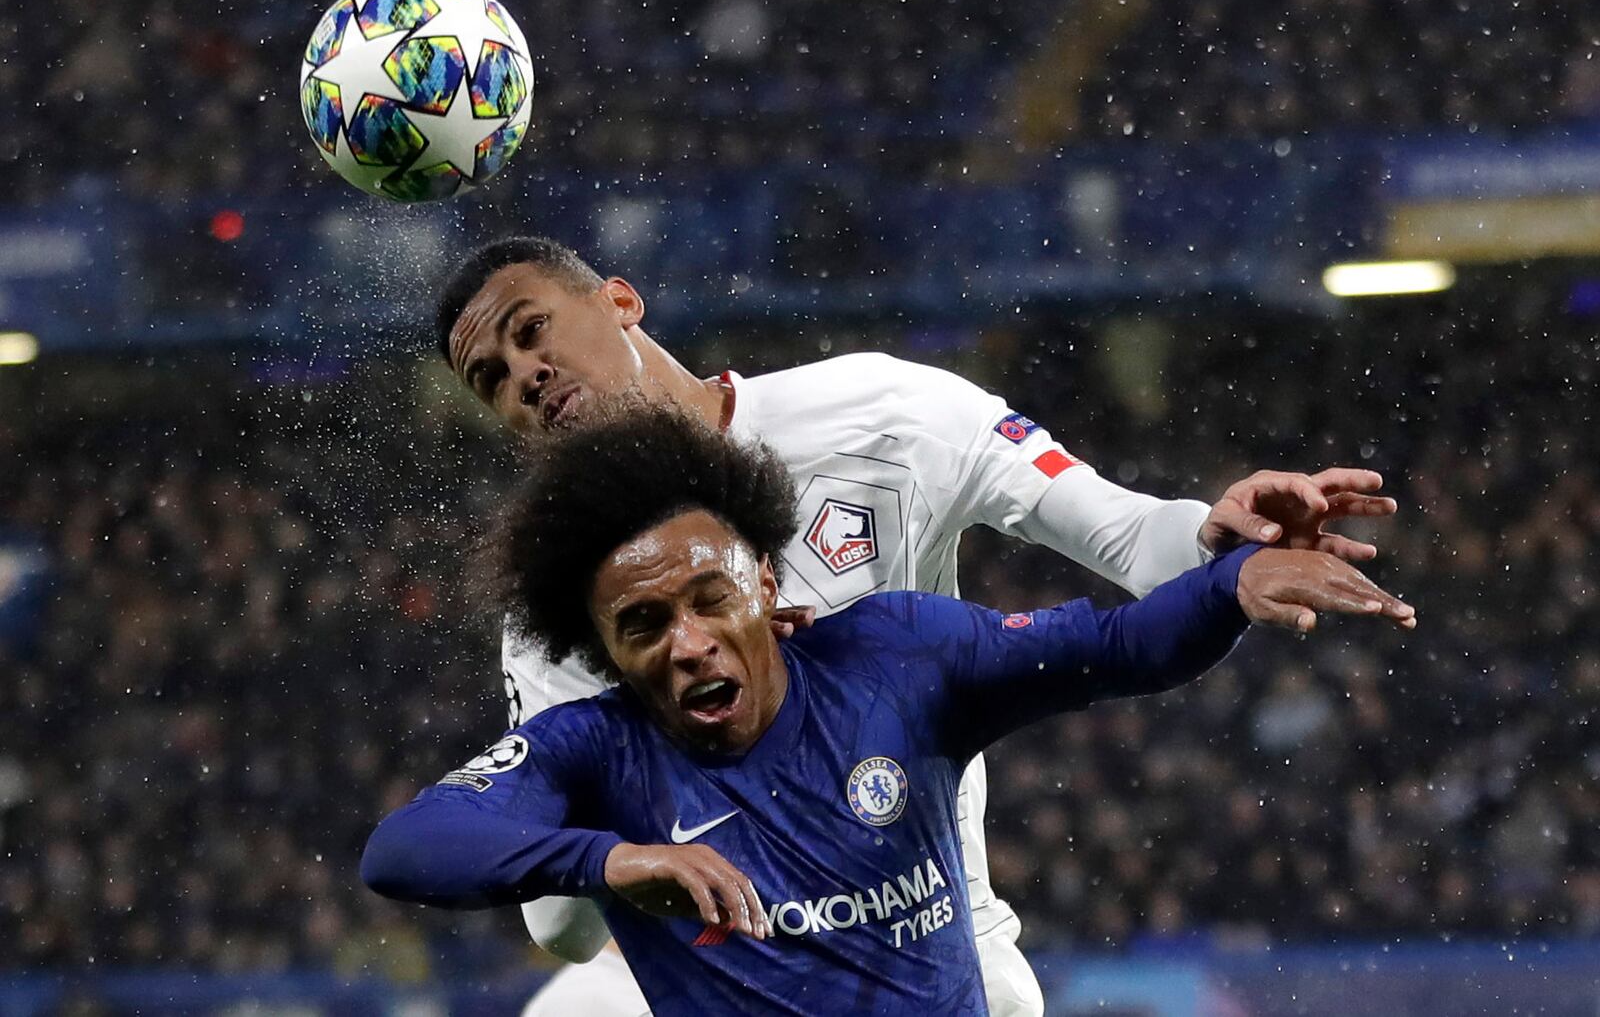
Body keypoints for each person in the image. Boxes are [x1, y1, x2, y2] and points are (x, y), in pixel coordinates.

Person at [436, 236, 1401, 1015]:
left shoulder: (884, 414)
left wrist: (1212, 535)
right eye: (492, 376)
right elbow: (560, 921)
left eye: (533, 331)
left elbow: (1129, 536)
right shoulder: (552, 613)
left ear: (620, 300)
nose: (526, 372)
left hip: (934, 950)